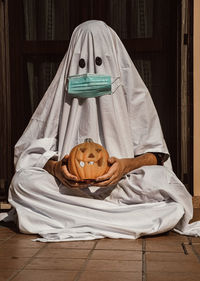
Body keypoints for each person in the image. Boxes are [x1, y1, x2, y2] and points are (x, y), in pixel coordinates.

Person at [3, 20, 200, 241]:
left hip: (122, 187)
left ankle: (72, 218)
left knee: (163, 180)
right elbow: (29, 153)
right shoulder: (59, 94)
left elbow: (156, 155)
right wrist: (57, 168)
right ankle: (123, 221)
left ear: (113, 59)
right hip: (67, 190)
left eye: (99, 62)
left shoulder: (134, 94)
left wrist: (126, 166)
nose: (89, 74)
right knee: (23, 182)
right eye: (82, 63)